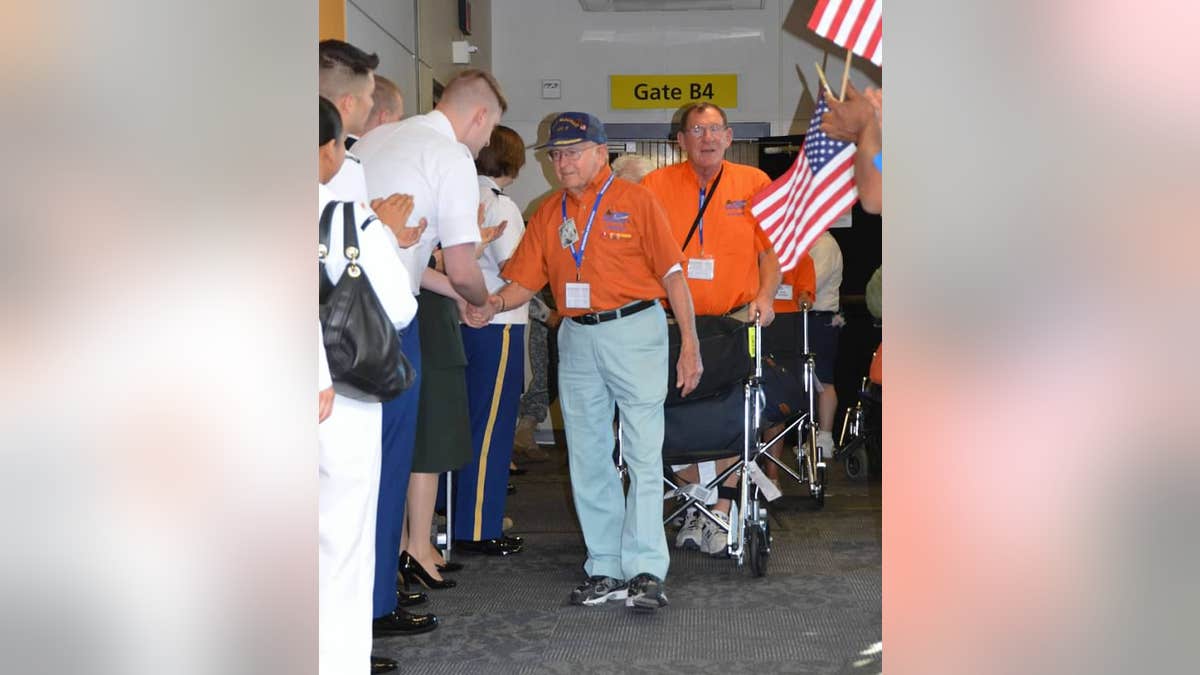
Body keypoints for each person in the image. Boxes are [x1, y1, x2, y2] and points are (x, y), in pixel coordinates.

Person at [468, 112, 702, 611]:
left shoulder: (637, 201)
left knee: (642, 451)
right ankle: (604, 564)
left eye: (574, 151)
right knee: (588, 454)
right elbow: (524, 283)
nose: (563, 162)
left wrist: (690, 343)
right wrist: (488, 304)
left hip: (636, 329)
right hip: (576, 335)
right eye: (556, 154)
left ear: (601, 152)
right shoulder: (548, 211)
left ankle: (644, 568)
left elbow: (675, 275)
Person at [353, 69, 504, 628]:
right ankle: (375, 607)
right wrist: (480, 300)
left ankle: (368, 590)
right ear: (480, 116)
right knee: (389, 464)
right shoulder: (450, 156)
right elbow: (463, 267)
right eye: (489, 133)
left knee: (356, 468)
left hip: (342, 314)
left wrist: (458, 293)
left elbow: (410, 263)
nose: (485, 144)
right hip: (389, 325)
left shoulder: (375, 138)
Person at [640, 102, 782, 556]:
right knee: (674, 413)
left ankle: (720, 508)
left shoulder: (755, 183)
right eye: (697, 129)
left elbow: (771, 252)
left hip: (736, 320)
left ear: (729, 135)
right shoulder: (654, 186)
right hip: (670, 324)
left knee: (728, 413)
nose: (707, 137)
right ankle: (691, 504)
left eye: (715, 128)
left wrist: (765, 298)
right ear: (679, 140)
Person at [317, 96, 419, 675]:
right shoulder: (353, 221)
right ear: (330, 150)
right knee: (343, 544)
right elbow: (400, 310)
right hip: (345, 396)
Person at [453, 125, 530, 555]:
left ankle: (462, 512)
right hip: (499, 323)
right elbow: (518, 269)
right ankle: (479, 525)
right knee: (491, 429)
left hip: (462, 323)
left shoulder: (460, 195)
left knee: (467, 424)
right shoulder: (501, 205)